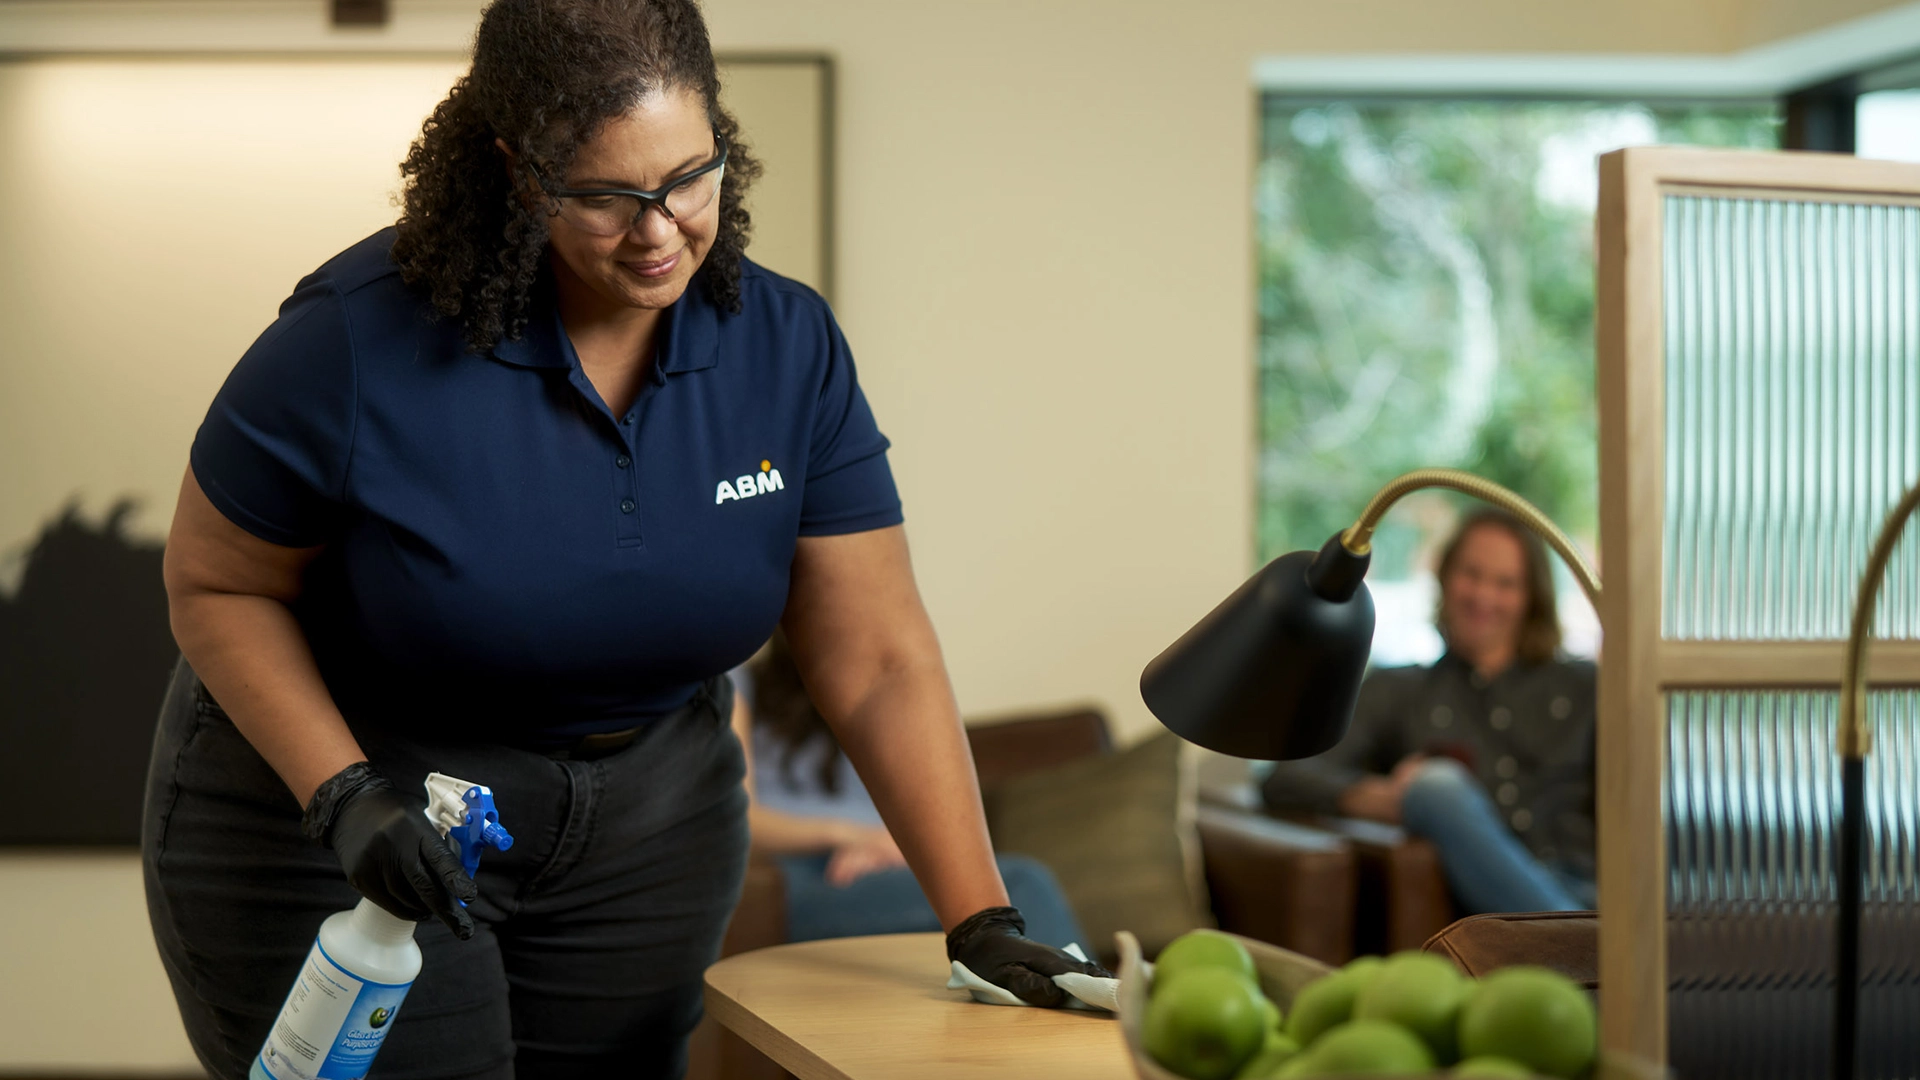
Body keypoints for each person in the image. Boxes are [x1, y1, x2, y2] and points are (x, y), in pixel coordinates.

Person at [143, 3, 1102, 1078]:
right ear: (518, 172)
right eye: (605, 197)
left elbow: (875, 657)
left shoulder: (786, 350)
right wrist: (343, 795)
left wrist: (978, 919)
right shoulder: (350, 343)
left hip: (646, 833)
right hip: (356, 809)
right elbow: (218, 587)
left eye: (691, 176)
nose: (659, 231)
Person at [1260, 508, 1597, 914]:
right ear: (1445, 578)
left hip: (1593, 894)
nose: (1483, 596)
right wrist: (1385, 798)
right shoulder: (1402, 690)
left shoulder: (1586, 686)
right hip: (1488, 922)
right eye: (1471, 574)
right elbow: (1287, 776)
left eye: (1506, 583)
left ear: (1532, 597)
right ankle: (1571, 945)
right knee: (1436, 785)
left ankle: (1569, 939)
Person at [729, 631, 1087, 947]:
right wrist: (852, 836)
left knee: (1017, 892)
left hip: (889, 864)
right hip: (800, 878)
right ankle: (1106, 1021)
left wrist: (893, 846)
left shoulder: (888, 699)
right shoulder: (736, 683)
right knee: (1022, 885)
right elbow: (739, 819)